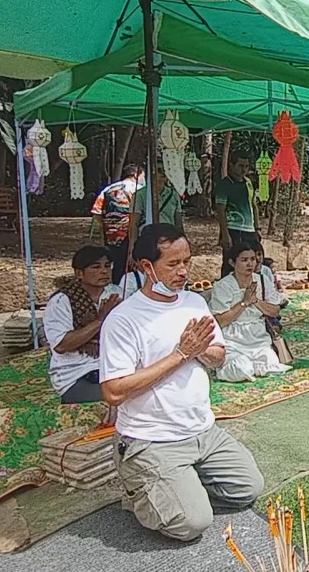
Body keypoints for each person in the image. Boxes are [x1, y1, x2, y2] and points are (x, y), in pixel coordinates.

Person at [99, 223, 263, 541]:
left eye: (186, 261)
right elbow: (112, 392)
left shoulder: (194, 303)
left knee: (248, 489)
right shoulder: (124, 319)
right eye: (173, 264)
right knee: (192, 525)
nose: (184, 271)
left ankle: (180, 488)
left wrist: (199, 351)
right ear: (147, 267)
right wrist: (180, 353)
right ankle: (142, 493)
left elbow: (218, 354)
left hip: (204, 433)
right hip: (152, 439)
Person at [44, 246, 122, 404]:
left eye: (107, 266)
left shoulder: (117, 293)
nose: (104, 271)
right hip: (76, 373)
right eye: (96, 267)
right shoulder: (61, 301)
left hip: (113, 367)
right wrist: (101, 320)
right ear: (79, 273)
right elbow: (61, 345)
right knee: (125, 396)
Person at [210, 244, 290, 382]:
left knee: (271, 366)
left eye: (253, 259)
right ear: (232, 262)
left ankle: (254, 363)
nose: (250, 263)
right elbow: (221, 321)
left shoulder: (262, 281)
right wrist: (244, 302)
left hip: (258, 338)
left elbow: (275, 311)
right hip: (233, 340)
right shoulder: (223, 286)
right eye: (244, 260)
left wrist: (255, 301)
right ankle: (226, 368)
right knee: (242, 369)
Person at [91, 164, 145, 284]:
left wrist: (107, 226)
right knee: (134, 264)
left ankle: (117, 289)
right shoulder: (139, 189)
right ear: (137, 175)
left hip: (112, 235)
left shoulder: (108, 189)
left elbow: (96, 212)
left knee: (117, 265)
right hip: (132, 233)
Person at [216, 157, 261, 278]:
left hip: (250, 230)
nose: (244, 170)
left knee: (253, 261)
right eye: (241, 166)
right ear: (232, 165)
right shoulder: (225, 184)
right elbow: (221, 210)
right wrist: (225, 234)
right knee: (230, 262)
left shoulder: (248, 182)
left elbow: (254, 205)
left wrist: (257, 228)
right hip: (233, 228)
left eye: (246, 166)